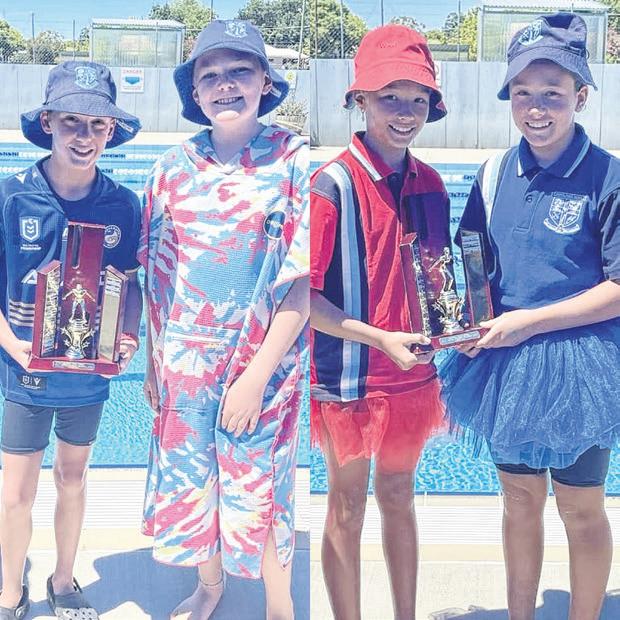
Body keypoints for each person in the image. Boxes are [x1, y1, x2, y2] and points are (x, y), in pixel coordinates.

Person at [441, 13, 620, 620]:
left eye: (552, 94)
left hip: (581, 364)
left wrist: (529, 323)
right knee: (518, 499)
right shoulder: (493, 174)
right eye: (523, 94)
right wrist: (467, 319)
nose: (536, 108)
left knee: (580, 507)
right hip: (505, 358)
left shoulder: (607, 177)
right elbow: (473, 264)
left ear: (581, 97)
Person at [139, 19, 309, 620]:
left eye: (240, 71)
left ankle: (280, 605)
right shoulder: (170, 168)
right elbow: (158, 278)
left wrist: (257, 376)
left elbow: (300, 283)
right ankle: (210, 586)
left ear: (266, 81)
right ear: (196, 92)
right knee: (193, 483)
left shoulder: (292, 161)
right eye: (210, 75)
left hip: (261, 364)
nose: (225, 84)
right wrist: (154, 365)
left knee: (261, 489)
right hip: (184, 361)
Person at [310, 24, 449, 620]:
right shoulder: (331, 185)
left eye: (418, 99)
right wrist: (378, 339)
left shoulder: (432, 184)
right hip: (349, 378)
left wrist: (454, 327)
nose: (405, 112)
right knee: (346, 506)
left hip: (412, 375)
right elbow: (302, 301)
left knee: (399, 496)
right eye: (390, 97)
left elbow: (439, 279)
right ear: (360, 100)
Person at [0, 61, 142, 619]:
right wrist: (12, 346)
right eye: (71, 122)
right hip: (25, 371)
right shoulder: (12, 197)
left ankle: (63, 578)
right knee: (17, 492)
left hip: (87, 375)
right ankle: (10, 588)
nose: (84, 137)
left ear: (112, 131)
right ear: (48, 124)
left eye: (97, 125)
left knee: (73, 478)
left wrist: (126, 335)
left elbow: (129, 283)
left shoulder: (123, 204)